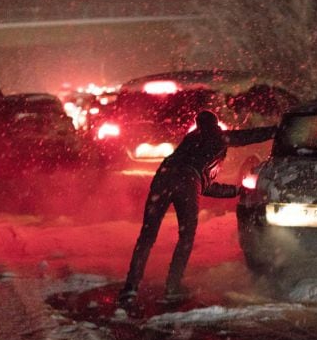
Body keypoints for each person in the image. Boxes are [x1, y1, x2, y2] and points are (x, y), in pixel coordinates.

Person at [118, 110, 276, 307]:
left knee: (147, 235)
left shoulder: (190, 139)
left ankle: (130, 288)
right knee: (186, 236)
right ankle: (173, 287)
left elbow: (205, 185)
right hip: (186, 181)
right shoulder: (218, 136)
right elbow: (249, 136)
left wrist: (235, 190)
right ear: (216, 124)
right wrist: (276, 130)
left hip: (163, 177)